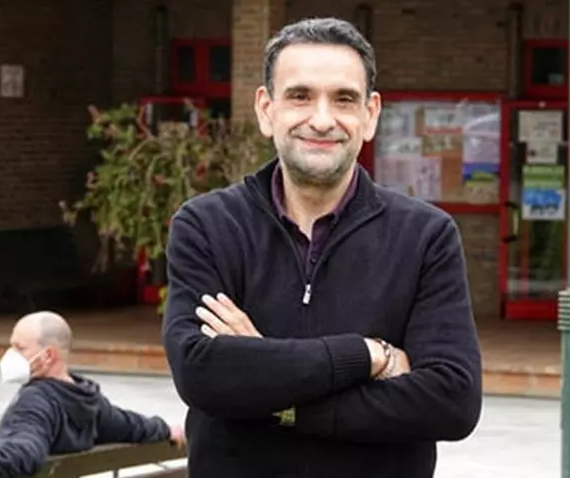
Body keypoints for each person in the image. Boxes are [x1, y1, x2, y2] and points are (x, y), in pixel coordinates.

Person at [161, 16, 483, 478]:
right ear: (266, 109)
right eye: (300, 96)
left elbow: (451, 401)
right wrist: (368, 355)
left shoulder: (426, 236)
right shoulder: (207, 225)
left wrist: (272, 392)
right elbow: (202, 374)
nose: (322, 119)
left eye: (344, 99)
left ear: (370, 115)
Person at [0, 311, 185, 478]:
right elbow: (128, 425)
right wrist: (164, 430)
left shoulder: (36, 402)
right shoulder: (86, 399)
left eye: (20, 348)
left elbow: (24, 449)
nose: (10, 354)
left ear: (48, 356)